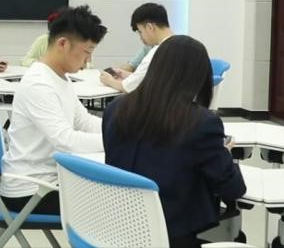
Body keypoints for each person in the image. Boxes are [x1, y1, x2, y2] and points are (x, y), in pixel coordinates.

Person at [103, 35, 246, 248]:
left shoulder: (115, 109)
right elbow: (232, 189)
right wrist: (224, 153)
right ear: (199, 77)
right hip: (171, 236)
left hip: (117, 230)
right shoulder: (202, 123)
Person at [0, 6, 109, 217]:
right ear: (62, 44)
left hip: (52, 181)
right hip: (30, 191)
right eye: (87, 52)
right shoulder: (39, 83)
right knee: (124, 204)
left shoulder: (60, 77)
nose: (88, 60)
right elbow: (65, 140)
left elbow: (83, 122)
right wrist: (116, 141)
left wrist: (122, 132)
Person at [100, 2, 174, 92]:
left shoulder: (157, 51)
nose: (141, 37)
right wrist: (127, 75)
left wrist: (109, 80)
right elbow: (149, 80)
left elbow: (128, 87)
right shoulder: (185, 46)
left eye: (140, 31)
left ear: (150, 27)